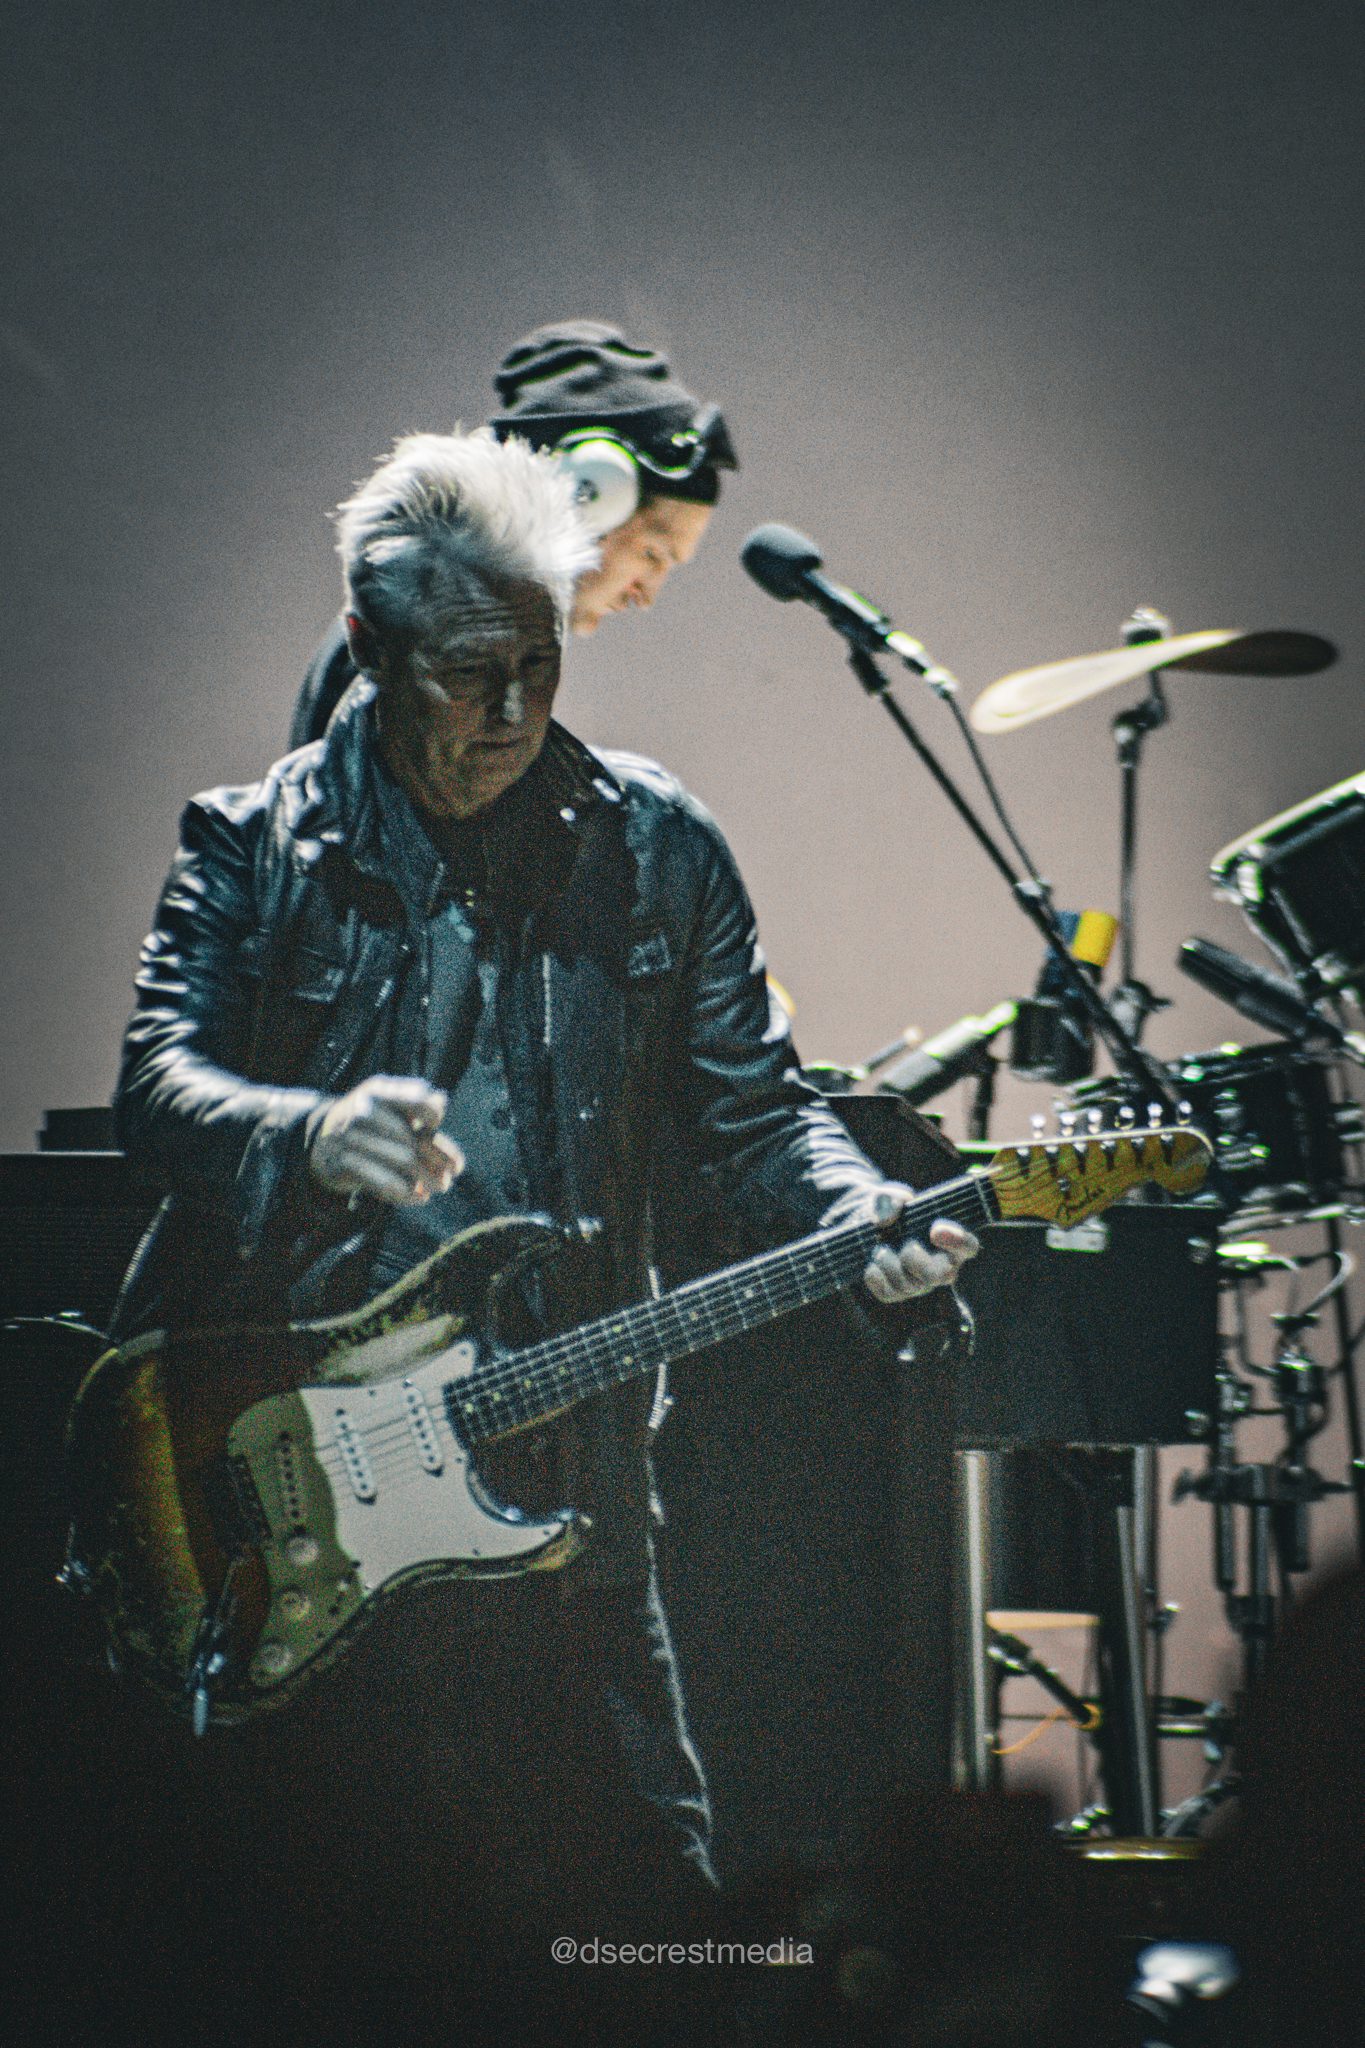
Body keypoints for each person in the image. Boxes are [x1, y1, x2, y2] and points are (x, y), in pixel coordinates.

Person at [108, 427, 976, 2037]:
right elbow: (156, 1089)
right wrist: (304, 1132)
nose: (511, 712)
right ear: (368, 652)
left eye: (539, 665)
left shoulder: (657, 845)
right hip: (298, 1484)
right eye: (465, 673)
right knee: (308, 1954)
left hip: (567, 1479)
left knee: (646, 1937)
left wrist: (864, 1216)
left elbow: (759, 1113)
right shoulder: (248, 843)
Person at [288, 317, 736, 751]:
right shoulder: (427, 627)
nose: (646, 595)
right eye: (653, 555)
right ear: (588, 495)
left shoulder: (449, 618)